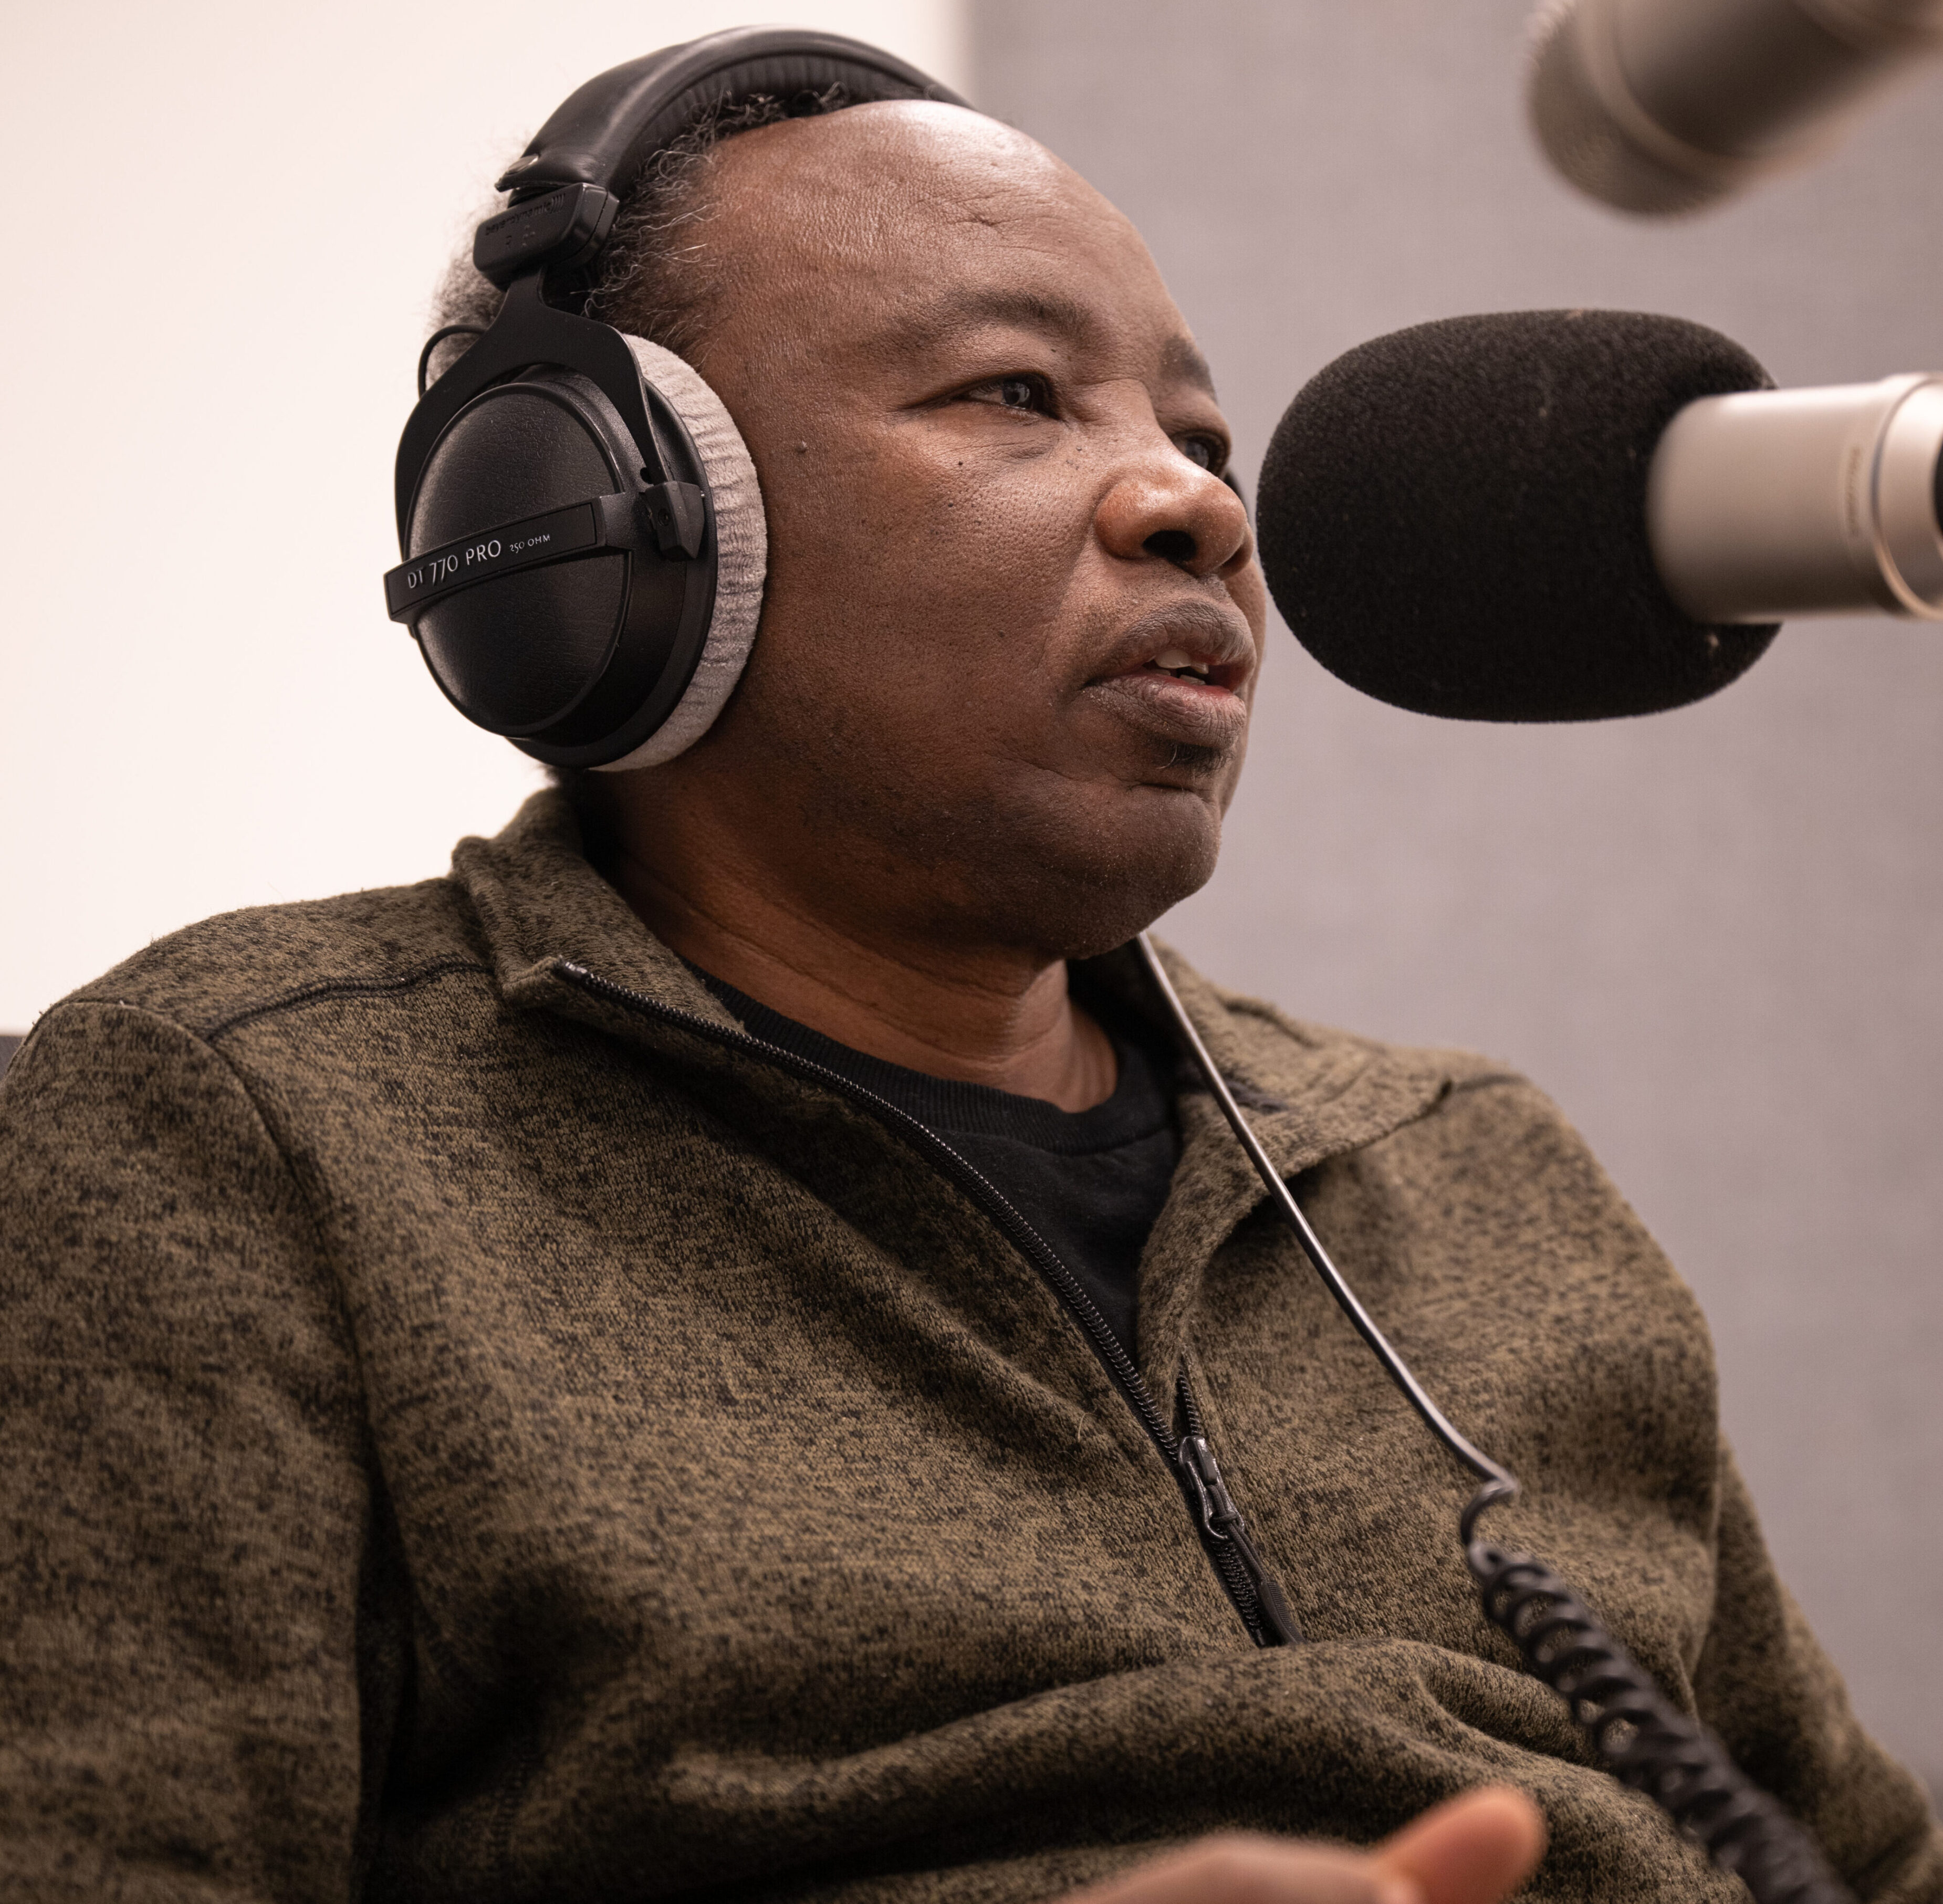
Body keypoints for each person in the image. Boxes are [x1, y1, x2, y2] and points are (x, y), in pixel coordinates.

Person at [0, 56, 1935, 1904]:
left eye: (1200, 435)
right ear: (605, 529)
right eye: (1016, 394)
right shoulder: (231, 1137)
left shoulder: (1473, 1175)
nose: (1203, 509)